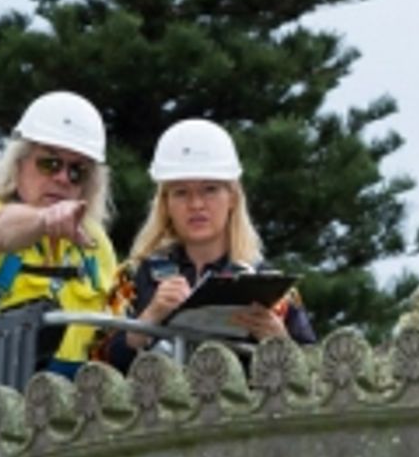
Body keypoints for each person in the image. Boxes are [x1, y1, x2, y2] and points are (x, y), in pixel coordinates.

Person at [100, 119, 314, 372]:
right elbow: (99, 363)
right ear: (165, 203)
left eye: (210, 189)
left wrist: (279, 341)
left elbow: (313, 376)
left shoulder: (271, 285)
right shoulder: (132, 277)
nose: (196, 204)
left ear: (232, 198)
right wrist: (148, 319)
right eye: (181, 192)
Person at [0, 91, 117, 369]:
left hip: (71, 404)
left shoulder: (94, 245)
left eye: (77, 171)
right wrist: (44, 220)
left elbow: (113, 334)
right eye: (49, 163)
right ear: (18, 165)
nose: (63, 178)